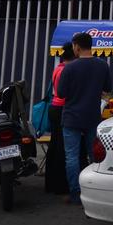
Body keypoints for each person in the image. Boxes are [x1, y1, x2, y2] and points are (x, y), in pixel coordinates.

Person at [57, 32, 113, 205]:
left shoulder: (69, 68)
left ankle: (75, 194)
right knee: (94, 156)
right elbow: (108, 89)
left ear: (77, 47)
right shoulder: (102, 66)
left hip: (72, 118)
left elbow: (60, 93)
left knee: (71, 157)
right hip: (92, 117)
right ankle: (94, 193)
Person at [45, 42, 75, 195]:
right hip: (62, 109)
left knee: (55, 145)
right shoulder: (67, 70)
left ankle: (51, 183)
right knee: (62, 148)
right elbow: (66, 92)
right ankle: (60, 185)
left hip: (55, 108)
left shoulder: (58, 68)